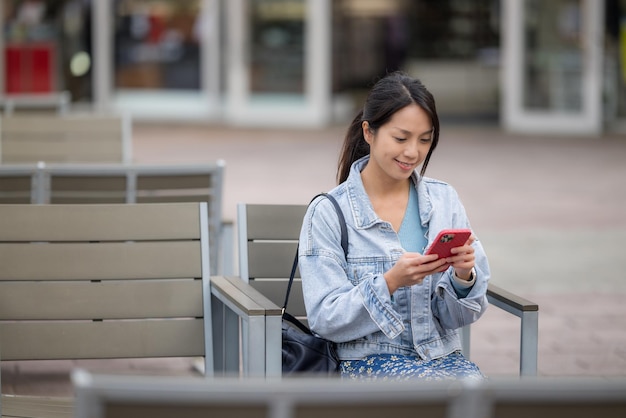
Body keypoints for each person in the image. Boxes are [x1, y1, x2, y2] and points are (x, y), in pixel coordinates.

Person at [297, 71, 489, 381]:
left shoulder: (444, 200)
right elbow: (325, 317)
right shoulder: (330, 212)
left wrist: (463, 277)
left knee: (475, 391)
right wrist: (389, 283)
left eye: (424, 140)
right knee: (442, 394)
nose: (413, 152)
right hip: (365, 363)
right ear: (369, 132)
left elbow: (461, 317)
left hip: (441, 359)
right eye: (401, 138)